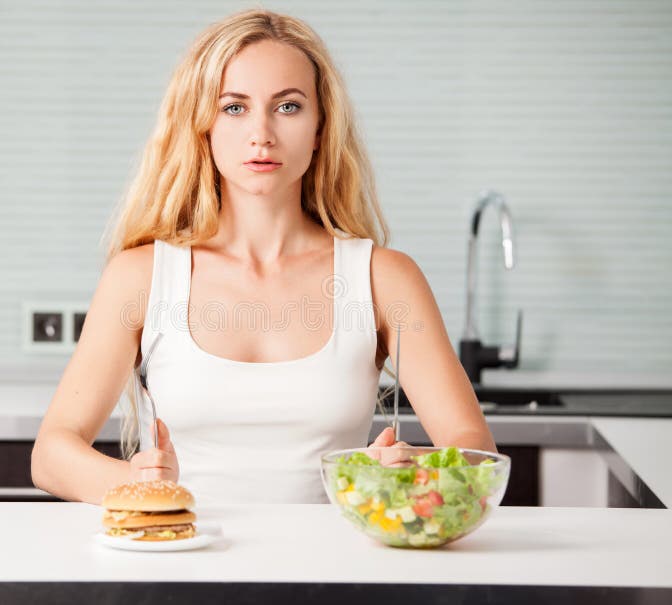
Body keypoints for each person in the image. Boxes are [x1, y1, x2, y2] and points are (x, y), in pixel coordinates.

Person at [31, 8, 497, 506]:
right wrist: (132, 486)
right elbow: (51, 454)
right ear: (202, 126)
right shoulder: (141, 277)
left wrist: (412, 472)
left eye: (288, 107)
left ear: (321, 128)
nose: (262, 134)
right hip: (181, 569)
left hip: (337, 574)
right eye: (234, 107)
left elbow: (475, 449)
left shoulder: (385, 279)